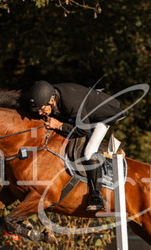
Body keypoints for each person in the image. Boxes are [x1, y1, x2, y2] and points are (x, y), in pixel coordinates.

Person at [27, 80, 126, 211]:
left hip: (103, 115)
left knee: (89, 151)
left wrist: (59, 125)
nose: (40, 112)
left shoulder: (70, 103)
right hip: (85, 113)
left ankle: (97, 196)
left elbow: (84, 130)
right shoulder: (50, 95)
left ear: (51, 100)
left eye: (41, 108)